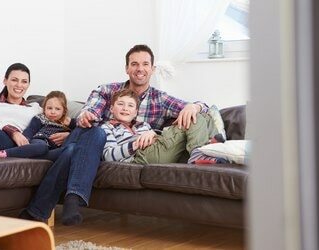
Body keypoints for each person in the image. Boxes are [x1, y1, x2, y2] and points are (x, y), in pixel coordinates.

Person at [20, 44, 213, 226]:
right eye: (134, 64)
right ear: (127, 68)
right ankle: (69, 199)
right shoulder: (107, 91)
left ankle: (38, 211)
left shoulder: (160, 99)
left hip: (107, 151)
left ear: (152, 69)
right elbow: (90, 113)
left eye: (145, 64)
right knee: (93, 131)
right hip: (95, 137)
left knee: (70, 151)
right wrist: (87, 115)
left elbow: (203, 108)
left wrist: (193, 106)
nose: (140, 69)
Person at [101, 89, 227, 164]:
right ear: (112, 109)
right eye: (121, 104)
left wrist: (153, 133)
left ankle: (209, 149)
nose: (125, 108)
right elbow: (108, 155)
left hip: (159, 149)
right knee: (194, 117)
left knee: (203, 116)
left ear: (135, 112)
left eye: (130, 106)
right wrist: (136, 144)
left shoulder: (142, 125)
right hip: (139, 156)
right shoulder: (107, 128)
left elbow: (159, 141)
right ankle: (203, 151)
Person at [0, 91, 76, 159]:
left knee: (70, 150)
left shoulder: (67, 123)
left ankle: (29, 154)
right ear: (44, 108)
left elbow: (82, 127)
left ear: (64, 111)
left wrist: (69, 128)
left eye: (57, 109)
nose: (53, 112)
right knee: (42, 147)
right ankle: (1, 154)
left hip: (49, 153)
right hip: (39, 142)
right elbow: (29, 132)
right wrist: (25, 141)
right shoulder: (40, 118)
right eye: (49, 108)